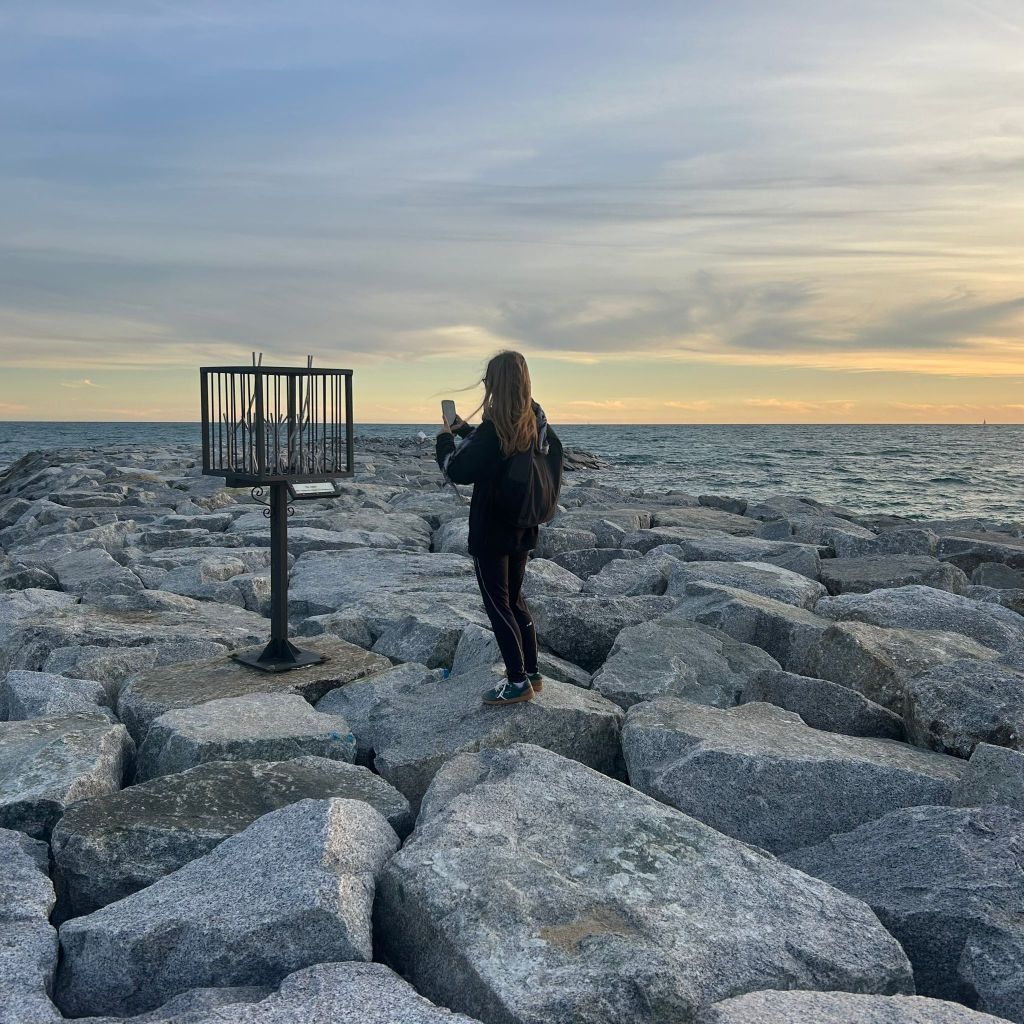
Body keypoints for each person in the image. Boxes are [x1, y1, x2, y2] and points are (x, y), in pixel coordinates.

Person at [435, 350, 562, 706]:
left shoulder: (495, 430)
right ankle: (532, 672)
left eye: (487, 380)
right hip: (523, 524)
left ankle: (517, 680)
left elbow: (458, 469)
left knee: (498, 604)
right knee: (516, 600)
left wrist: (445, 438)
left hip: (492, 529)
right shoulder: (536, 424)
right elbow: (496, 447)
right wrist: (464, 429)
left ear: (495, 385)